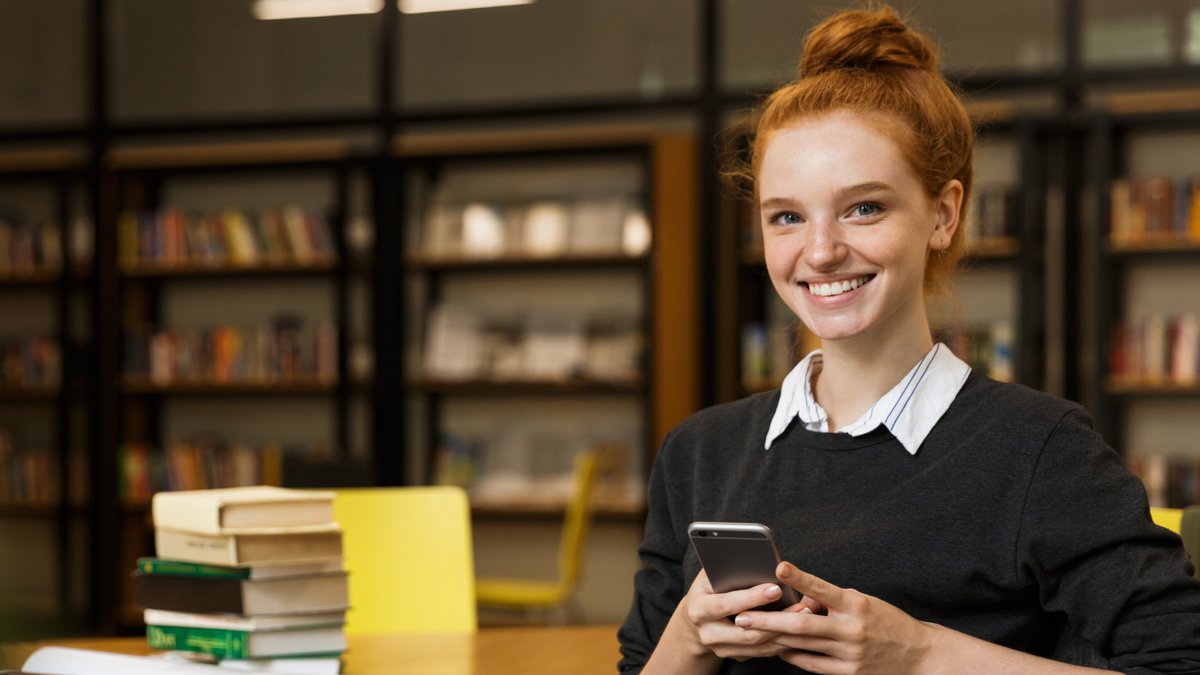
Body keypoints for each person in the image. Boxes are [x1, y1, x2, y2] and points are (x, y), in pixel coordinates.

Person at [617, 5, 1200, 674]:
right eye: (786, 216)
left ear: (944, 214)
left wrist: (921, 653)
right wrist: (688, 637)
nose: (821, 250)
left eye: (864, 207)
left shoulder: (1041, 449)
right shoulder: (699, 451)